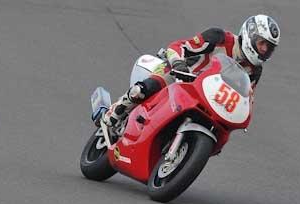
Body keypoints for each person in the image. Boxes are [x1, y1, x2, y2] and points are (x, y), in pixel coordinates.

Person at [102, 14, 280, 134]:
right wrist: (179, 63)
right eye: (261, 43)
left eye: (269, 48)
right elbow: (178, 46)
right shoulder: (219, 37)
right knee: (144, 89)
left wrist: (243, 112)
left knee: (219, 131)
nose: (264, 49)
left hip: (208, 99)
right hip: (181, 76)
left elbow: (246, 96)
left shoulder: (255, 70)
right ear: (250, 34)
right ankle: (113, 113)